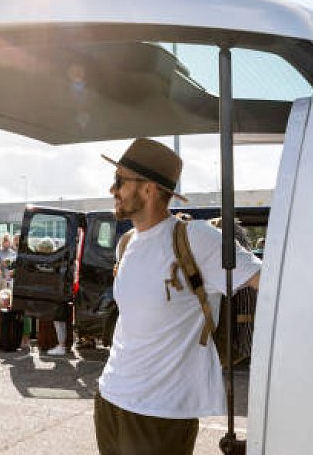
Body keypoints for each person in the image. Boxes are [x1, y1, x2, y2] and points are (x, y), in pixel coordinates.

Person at [94, 138, 262, 455]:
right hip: (110, 396)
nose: (112, 189)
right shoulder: (127, 242)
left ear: (149, 189)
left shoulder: (197, 238)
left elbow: (269, 282)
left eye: (120, 180)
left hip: (162, 411)